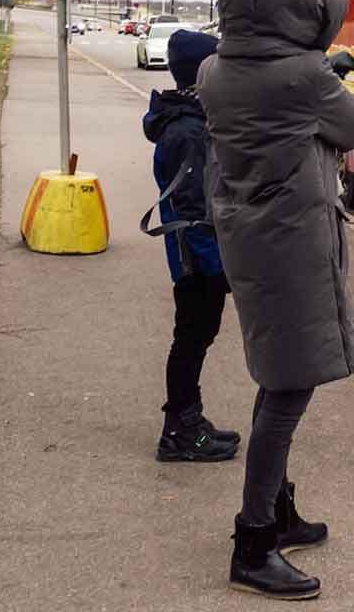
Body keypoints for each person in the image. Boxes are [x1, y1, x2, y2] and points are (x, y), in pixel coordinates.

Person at [196, 0, 354, 601]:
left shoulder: (216, 69)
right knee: (288, 389)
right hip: (291, 249)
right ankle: (253, 543)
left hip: (252, 240)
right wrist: (330, 74)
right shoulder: (303, 80)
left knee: (278, 376)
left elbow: (278, 84)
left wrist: (318, 68)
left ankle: (279, 510)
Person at [142, 29, 240, 464]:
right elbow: (195, 208)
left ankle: (188, 422)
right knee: (191, 339)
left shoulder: (187, 120)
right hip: (197, 259)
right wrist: (218, 267)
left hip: (196, 254)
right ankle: (181, 432)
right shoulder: (187, 131)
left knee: (195, 337)